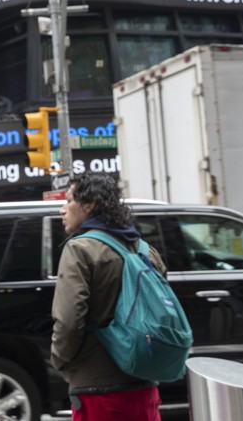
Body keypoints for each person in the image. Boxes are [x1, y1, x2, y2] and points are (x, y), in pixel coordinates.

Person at [51, 173, 167, 420]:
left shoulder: (79, 249)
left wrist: (60, 360)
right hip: (144, 385)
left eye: (69, 200)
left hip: (98, 390)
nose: (62, 209)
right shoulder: (146, 251)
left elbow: (69, 321)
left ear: (89, 204)